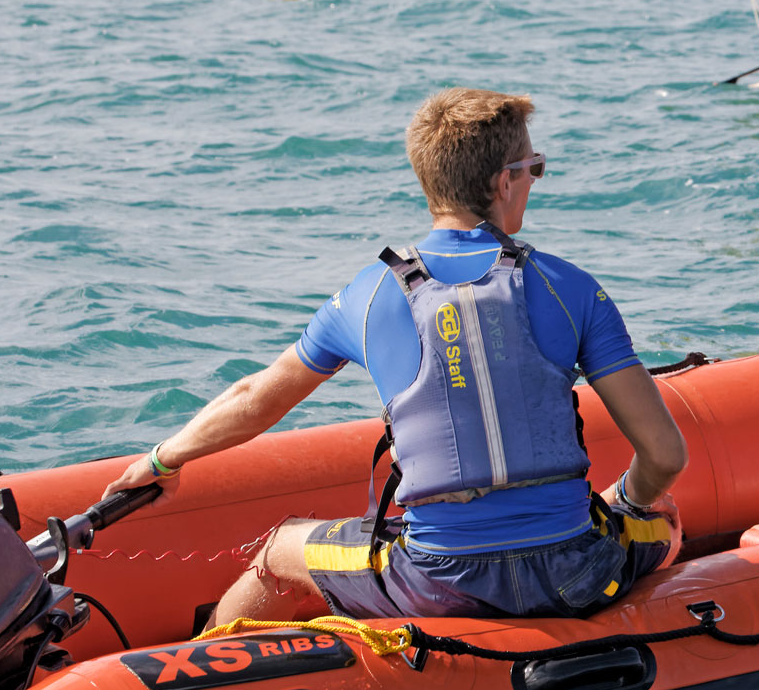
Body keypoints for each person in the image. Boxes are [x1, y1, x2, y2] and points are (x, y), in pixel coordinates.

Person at [102, 89, 687, 628]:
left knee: (280, 549)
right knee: (665, 518)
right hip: (573, 573)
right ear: (503, 182)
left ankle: (203, 677)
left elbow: (254, 400)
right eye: (535, 168)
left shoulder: (368, 295)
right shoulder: (570, 286)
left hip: (437, 581)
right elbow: (663, 453)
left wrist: (162, 460)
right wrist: (628, 499)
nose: (534, 180)